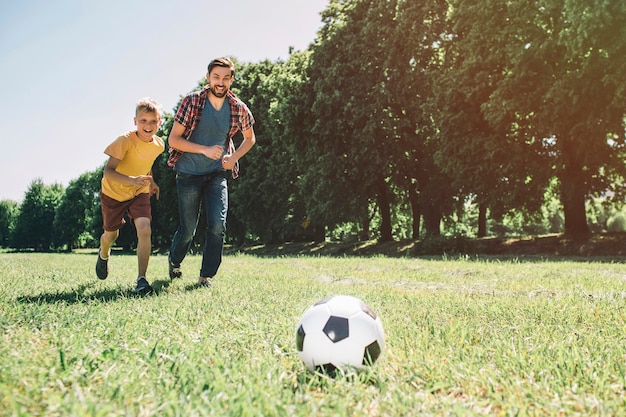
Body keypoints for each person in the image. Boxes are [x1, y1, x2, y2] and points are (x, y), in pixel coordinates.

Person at [167, 57, 256, 288]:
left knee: (218, 224)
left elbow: (250, 138)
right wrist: (204, 149)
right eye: (216, 77)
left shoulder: (237, 107)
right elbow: (174, 140)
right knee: (188, 229)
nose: (221, 82)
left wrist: (233, 158)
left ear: (231, 80)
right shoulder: (192, 101)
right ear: (208, 77)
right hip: (188, 173)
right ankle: (175, 261)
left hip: (217, 173)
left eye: (226, 78)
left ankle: (205, 276)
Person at [95, 98, 165, 295]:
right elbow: (108, 172)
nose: (148, 126)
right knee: (111, 235)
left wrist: (152, 181)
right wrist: (132, 180)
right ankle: (103, 253)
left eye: (153, 121)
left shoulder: (159, 145)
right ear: (135, 121)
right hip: (113, 193)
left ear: (160, 122)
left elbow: (146, 161)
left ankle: (141, 280)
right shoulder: (124, 141)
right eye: (143, 121)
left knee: (144, 229)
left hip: (138, 191)